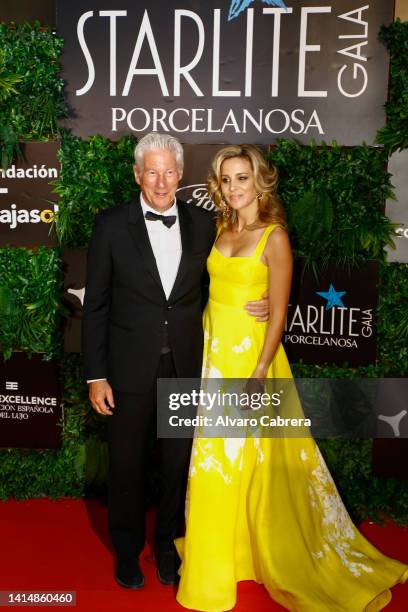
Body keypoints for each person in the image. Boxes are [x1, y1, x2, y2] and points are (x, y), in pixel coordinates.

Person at [175, 144, 408, 611]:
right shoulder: (221, 227)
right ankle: (222, 557)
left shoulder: (274, 236)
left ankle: (276, 556)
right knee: (215, 463)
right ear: (218, 185)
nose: (234, 187)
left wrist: (259, 373)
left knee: (258, 464)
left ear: (260, 181)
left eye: (243, 178)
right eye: (227, 179)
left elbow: (278, 314)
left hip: (251, 364)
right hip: (214, 355)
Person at [82, 133, 268, 590]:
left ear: (181, 175)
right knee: (126, 466)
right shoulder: (110, 225)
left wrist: (262, 298)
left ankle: (168, 548)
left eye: (169, 171)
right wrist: (96, 375)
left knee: (176, 465)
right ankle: (126, 553)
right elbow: (96, 307)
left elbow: (234, 270)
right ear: (137, 174)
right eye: (152, 170)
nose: (161, 181)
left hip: (186, 365)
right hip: (127, 370)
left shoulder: (206, 225)